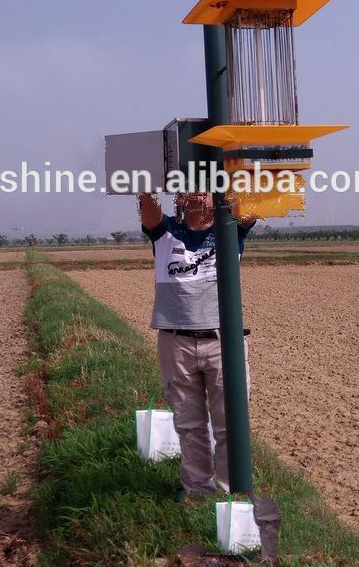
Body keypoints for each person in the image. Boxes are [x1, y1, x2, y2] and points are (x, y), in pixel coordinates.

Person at [139, 191, 255, 497]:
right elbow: (149, 211)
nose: (196, 194)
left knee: (231, 423)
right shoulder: (166, 234)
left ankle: (234, 495)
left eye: (204, 187)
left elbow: (252, 208)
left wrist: (238, 170)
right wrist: (144, 182)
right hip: (176, 341)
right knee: (189, 425)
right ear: (177, 199)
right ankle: (197, 493)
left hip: (223, 342)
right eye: (188, 188)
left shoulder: (230, 230)